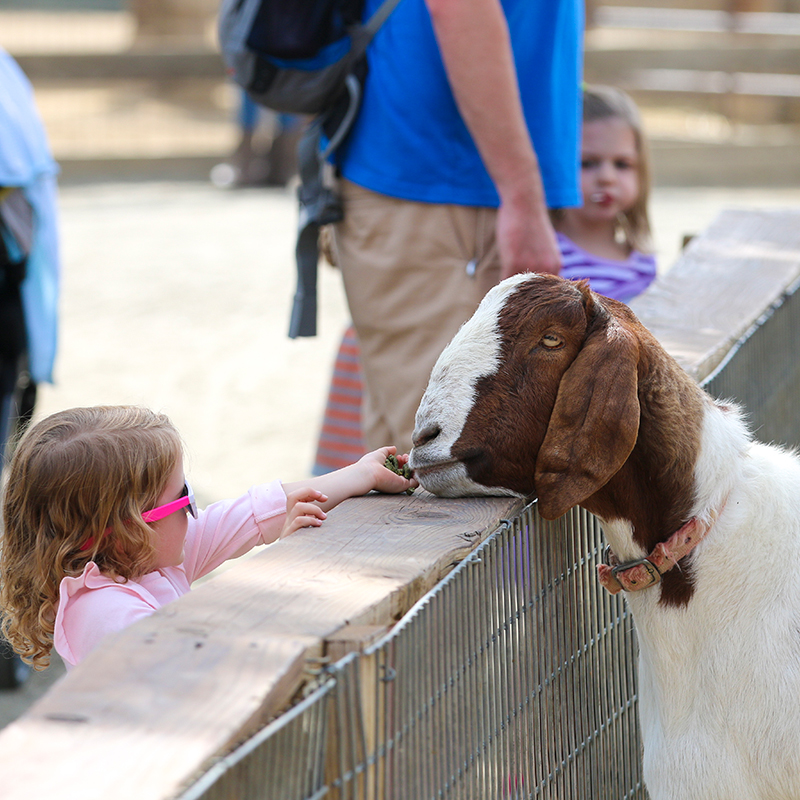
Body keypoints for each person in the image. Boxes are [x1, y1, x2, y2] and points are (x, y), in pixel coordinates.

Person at [327, 0, 584, 454]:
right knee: (435, 459)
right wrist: (522, 198)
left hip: (472, 190)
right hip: (446, 188)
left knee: (465, 453)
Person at [0, 405, 417, 672]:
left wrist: (359, 475)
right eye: (182, 498)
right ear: (128, 529)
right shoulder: (101, 612)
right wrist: (284, 565)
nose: (194, 511)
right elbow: (205, 662)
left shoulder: (144, 559)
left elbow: (249, 514)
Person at [552, 85, 657, 303]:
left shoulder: (644, 263)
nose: (607, 178)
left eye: (622, 164)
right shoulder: (547, 257)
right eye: (587, 163)